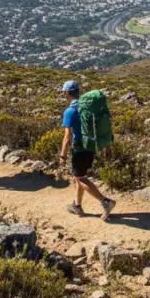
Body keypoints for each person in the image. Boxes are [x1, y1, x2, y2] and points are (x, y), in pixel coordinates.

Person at [59, 80, 116, 220]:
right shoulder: (89, 108)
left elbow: (67, 137)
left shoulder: (70, 111)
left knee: (80, 178)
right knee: (80, 176)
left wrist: (62, 156)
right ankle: (77, 206)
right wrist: (107, 147)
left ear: (66, 93)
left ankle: (105, 202)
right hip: (91, 146)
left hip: (79, 150)